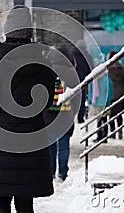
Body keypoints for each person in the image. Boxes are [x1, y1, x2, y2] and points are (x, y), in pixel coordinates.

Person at [0, 5, 56, 213]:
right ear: (29, 32)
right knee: (25, 201)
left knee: (1, 198)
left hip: (2, 137)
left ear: (7, 31)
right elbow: (47, 101)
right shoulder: (43, 64)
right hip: (31, 138)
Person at [43, 46, 78, 182]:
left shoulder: (48, 69)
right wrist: (73, 112)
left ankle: (50, 171)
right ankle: (63, 173)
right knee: (64, 145)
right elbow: (77, 96)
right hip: (66, 115)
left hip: (49, 115)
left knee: (51, 144)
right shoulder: (72, 73)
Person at [87, 54, 113, 143]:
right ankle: (103, 136)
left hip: (98, 102)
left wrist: (91, 100)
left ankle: (100, 136)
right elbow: (110, 91)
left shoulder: (94, 79)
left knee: (99, 121)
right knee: (103, 120)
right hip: (103, 103)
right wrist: (108, 100)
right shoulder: (106, 78)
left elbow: (90, 91)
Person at [72, 40, 93, 123]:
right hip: (84, 81)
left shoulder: (72, 55)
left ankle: (71, 116)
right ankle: (80, 118)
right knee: (82, 100)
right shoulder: (87, 56)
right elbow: (91, 69)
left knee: (72, 99)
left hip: (73, 80)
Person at [107, 51, 124, 139]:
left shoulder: (109, 70)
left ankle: (113, 132)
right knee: (119, 115)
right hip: (120, 94)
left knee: (111, 115)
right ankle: (120, 131)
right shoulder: (122, 69)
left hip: (112, 95)